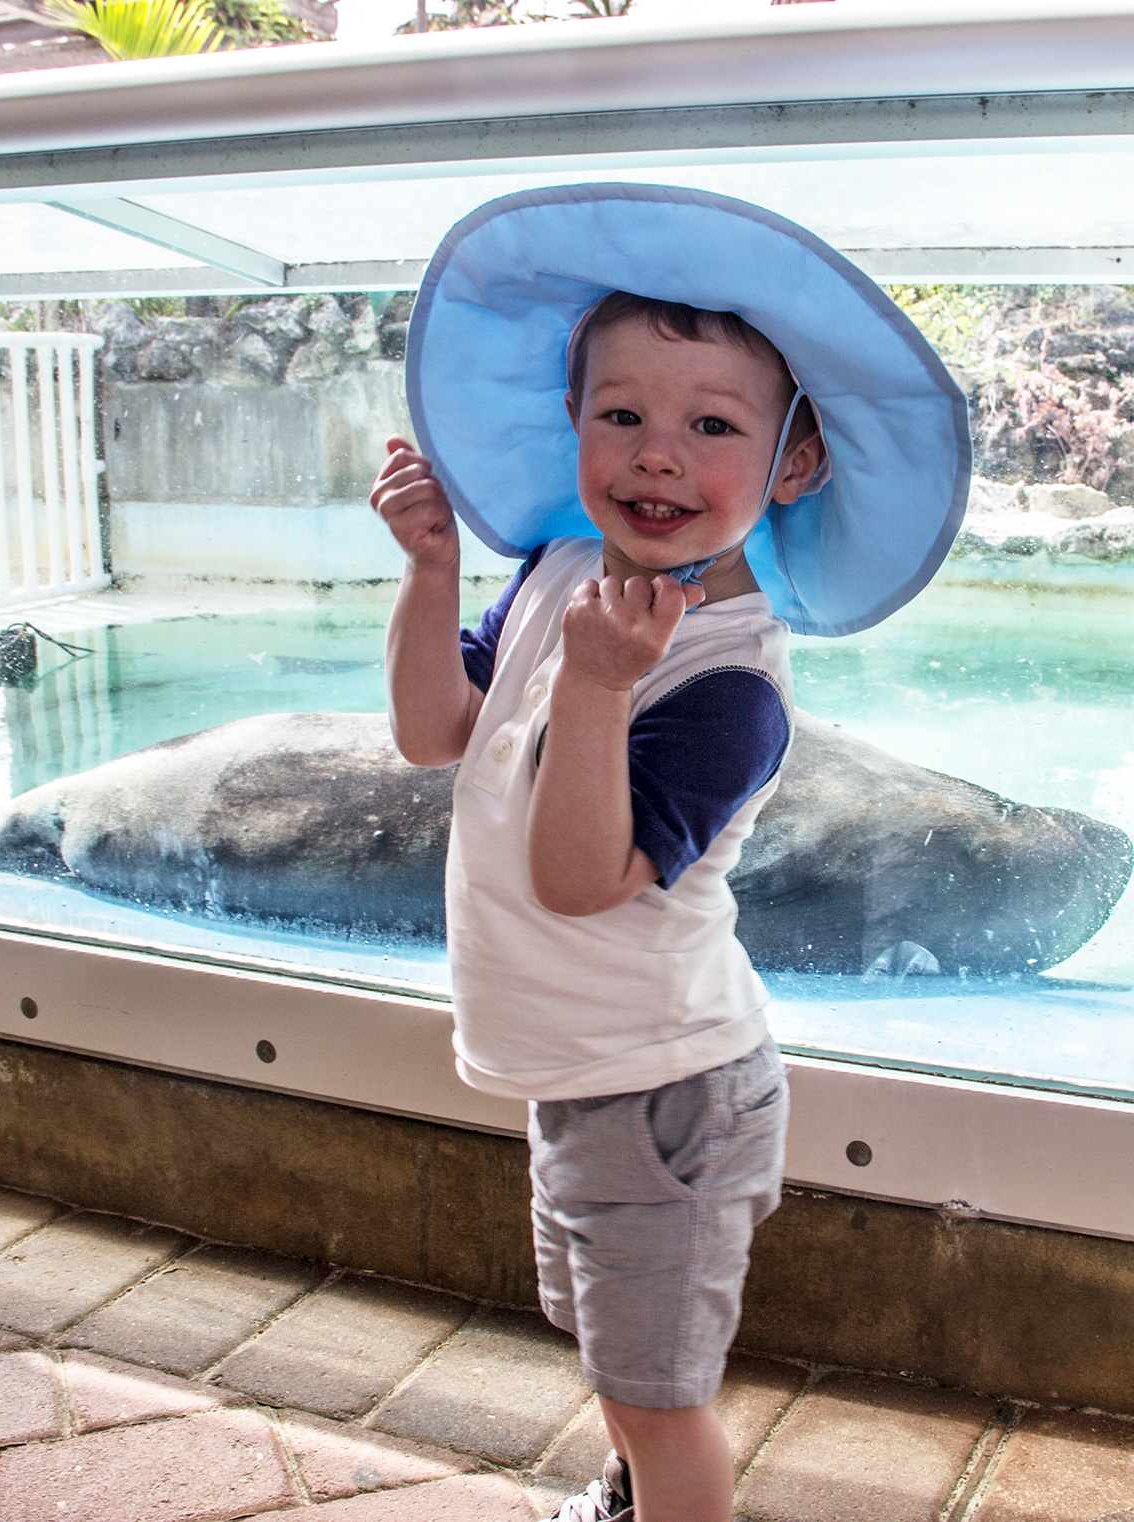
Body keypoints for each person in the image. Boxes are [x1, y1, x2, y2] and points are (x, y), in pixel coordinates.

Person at [371, 184, 968, 1522]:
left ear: (792, 465)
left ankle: (664, 1488)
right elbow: (434, 733)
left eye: (712, 425)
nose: (657, 454)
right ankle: (634, 1490)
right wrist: (428, 572)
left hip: (667, 1095)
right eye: (621, 413)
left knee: (660, 1392)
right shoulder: (552, 571)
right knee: (615, 1352)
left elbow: (581, 875)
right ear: (573, 425)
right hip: (586, 1078)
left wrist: (593, 690)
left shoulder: (730, 681)